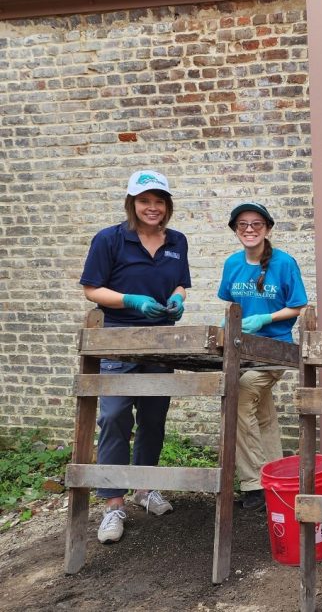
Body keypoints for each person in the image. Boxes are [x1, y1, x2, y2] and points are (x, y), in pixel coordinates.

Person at [80, 170, 190, 544]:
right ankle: (113, 504)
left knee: (154, 415)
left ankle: (146, 487)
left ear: (167, 205)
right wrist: (131, 300)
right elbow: (92, 290)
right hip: (118, 338)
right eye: (145, 201)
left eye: (159, 201)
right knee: (113, 416)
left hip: (160, 339)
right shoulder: (109, 239)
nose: (152, 207)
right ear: (132, 203)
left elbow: (180, 284)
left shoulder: (177, 241)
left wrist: (177, 300)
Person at [218, 202, 308, 511]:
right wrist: (230, 325)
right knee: (263, 414)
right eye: (242, 224)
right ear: (235, 230)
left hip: (274, 350)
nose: (249, 229)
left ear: (267, 228)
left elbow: (297, 306)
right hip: (243, 349)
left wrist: (265, 319)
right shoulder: (232, 264)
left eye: (256, 224)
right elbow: (231, 305)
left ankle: (256, 484)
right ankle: (278, 479)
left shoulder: (284, 263)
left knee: (241, 395)